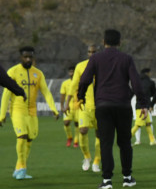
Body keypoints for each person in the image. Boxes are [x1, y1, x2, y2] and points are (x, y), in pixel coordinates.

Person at [77, 29, 149, 189]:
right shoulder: (127, 59)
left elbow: (85, 79)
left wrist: (80, 96)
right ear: (120, 42)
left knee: (106, 143)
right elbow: (136, 82)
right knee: (124, 143)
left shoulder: (96, 58)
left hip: (103, 106)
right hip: (123, 105)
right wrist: (143, 103)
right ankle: (127, 177)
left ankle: (107, 180)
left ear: (103, 42)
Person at [0, 47, 60, 179]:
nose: (28, 59)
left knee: (29, 139)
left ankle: (18, 168)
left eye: (30, 57)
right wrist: (2, 114)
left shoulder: (38, 74)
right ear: (21, 57)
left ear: (33, 58)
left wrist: (54, 109)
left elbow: (46, 92)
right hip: (17, 110)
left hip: (32, 112)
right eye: (25, 57)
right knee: (22, 136)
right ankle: (22, 167)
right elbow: (6, 95)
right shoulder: (13, 71)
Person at [65, 45, 102, 172]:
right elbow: (74, 84)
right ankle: (87, 157)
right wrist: (67, 102)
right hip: (84, 105)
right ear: (87, 53)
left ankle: (97, 161)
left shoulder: (104, 65)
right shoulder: (80, 66)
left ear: (98, 53)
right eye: (89, 52)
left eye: (94, 52)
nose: (92, 54)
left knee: (100, 135)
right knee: (83, 130)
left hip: (101, 107)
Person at [131, 68, 156, 146]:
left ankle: (152, 140)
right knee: (138, 124)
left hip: (138, 105)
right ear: (148, 73)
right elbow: (155, 95)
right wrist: (155, 104)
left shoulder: (137, 82)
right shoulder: (150, 82)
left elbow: (131, 93)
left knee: (148, 123)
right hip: (145, 106)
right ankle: (125, 139)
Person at [60, 65, 77, 147]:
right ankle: (69, 137)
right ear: (68, 73)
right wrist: (61, 106)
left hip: (78, 105)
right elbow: (62, 95)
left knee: (77, 124)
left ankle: (76, 141)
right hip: (68, 105)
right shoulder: (65, 83)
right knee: (66, 122)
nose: (72, 73)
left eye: (73, 71)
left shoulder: (79, 82)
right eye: (70, 71)